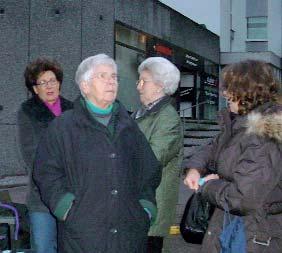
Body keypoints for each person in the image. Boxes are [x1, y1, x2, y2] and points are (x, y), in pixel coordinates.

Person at [33, 53, 161, 253]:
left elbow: (150, 171)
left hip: (128, 236)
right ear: (84, 86)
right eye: (102, 76)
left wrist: (145, 208)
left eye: (114, 76)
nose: (111, 81)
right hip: (83, 236)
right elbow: (46, 173)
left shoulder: (129, 127)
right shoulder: (63, 127)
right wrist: (65, 208)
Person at [183, 60, 282, 253]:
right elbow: (214, 147)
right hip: (237, 227)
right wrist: (196, 168)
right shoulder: (241, 124)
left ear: (248, 91)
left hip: (254, 235)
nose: (224, 93)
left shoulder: (266, 132)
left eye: (229, 87)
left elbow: (244, 197)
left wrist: (207, 186)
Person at [17, 58, 73, 253]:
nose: (49, 86)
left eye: (53, 80)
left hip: (72, 194)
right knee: (44, 247)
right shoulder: (27, 112)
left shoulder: (74, 110)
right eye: (43, 82)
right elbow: (31, 154)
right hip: (42, 196)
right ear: (34, 89)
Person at [132, 57, 183, 253]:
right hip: (138, 204)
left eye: (144, 81)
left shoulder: (167, 118)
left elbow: (152, 159)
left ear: (159, 86)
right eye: (139, 80)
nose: (138, 86)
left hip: (152, 208)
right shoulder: (141, 113)